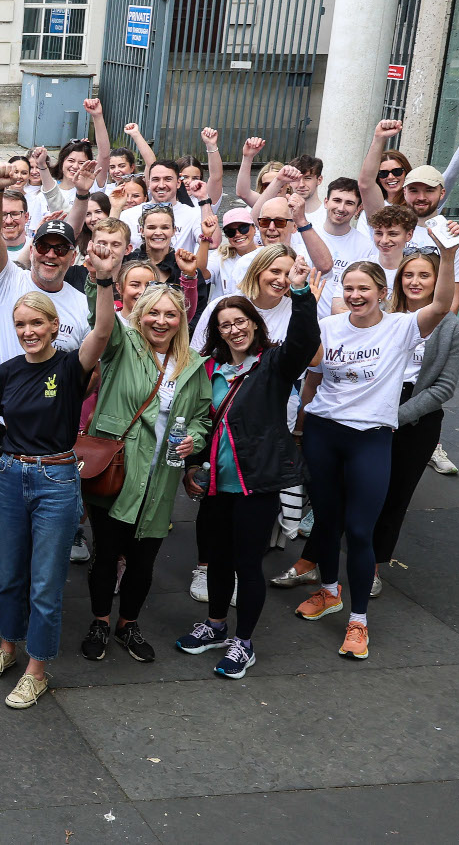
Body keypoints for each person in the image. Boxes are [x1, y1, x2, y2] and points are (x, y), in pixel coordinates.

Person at [0, 244, 118, 710]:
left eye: (37, 323)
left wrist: (102, 280)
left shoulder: (71, 365)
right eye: (20, 325)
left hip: (56, 480)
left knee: (45, 581)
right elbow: (3, 423)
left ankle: (37, 669)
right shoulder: (5, 372)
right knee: (10, 575)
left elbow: (101, 330)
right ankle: (7, 648)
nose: (28, 332)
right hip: (11, 474)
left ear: (55, 326)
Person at [292, 260, 455, 660]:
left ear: (382, 291)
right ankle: (329, 592)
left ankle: (358, 620)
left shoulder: (401, 327)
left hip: (371, 438)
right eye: (349, 288)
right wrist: (301, 300)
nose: (355, 296)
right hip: (323, 431)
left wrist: (447, 257)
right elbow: (308, 367)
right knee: (327, 522)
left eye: (364, 288)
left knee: (360, 531)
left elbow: (441, 304)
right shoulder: (329, 326)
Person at [173, 285, 318, 679]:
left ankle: (245, 642)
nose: (235, 330)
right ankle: (217, 626)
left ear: (255, 324)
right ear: (217, 333)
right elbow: (202, 423)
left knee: (247, 564)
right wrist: (192, 468)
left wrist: (303, 295)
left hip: (256, 484)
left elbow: (306, 340)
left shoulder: (274, 364)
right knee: (216, 559)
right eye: (225, 325)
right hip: (216, 486)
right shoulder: (207, 370)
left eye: (241, 321)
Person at [77, 283, 211, 665]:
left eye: (171, 314)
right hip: (117, 471)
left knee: (143, 559)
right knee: (106, 555)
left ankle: (127, 624)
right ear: (139, 314)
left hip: (161, 478)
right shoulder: (123, 347)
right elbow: (101, 321)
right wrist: (102, 280)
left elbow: (201, 418)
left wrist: (193, 441)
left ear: (181, 320)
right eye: (154, 312)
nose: (161, 321)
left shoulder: (193, 363)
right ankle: (100, 622)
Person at [371, 251, 459, 578]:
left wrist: (396, 417)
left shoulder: (452, 327)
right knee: (356, 489)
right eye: (409, 275)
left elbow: (444, 388)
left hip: (417, 416)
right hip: (373, 405)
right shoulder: (381, 316)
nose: (415, 282)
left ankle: (372, 566)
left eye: (424, 275)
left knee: (395, 495)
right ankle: (317, 561)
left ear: (437, 281)